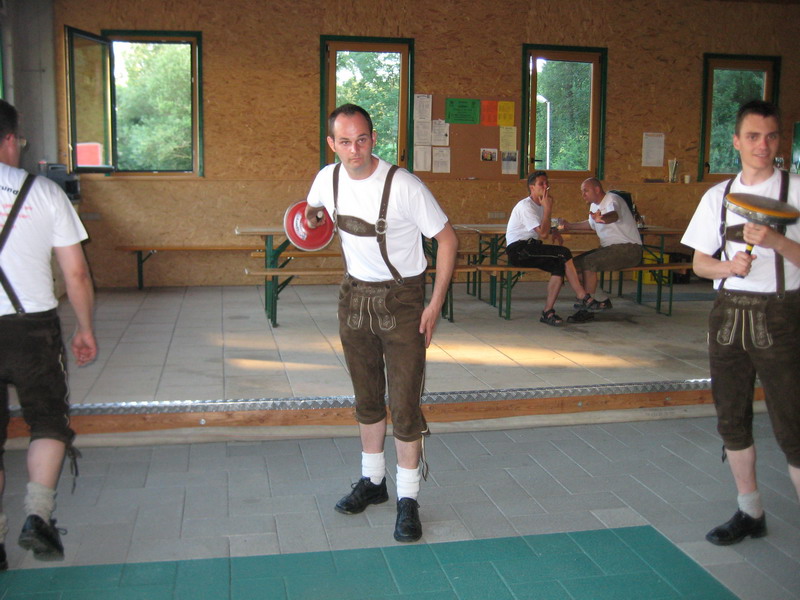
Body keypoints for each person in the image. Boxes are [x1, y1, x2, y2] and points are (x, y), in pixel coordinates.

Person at [305, 104, 457, 542]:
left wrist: (435, 305)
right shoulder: (327, 179)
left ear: (374, 139)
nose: (355, 150)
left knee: (405, 404)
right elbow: (310, 212)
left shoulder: (404, 186)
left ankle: (408, 498)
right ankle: (373, 482)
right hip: (353, 298)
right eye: (345, 142)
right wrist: (312, 218)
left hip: (403, 301)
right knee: (367, 397)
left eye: (362, 140)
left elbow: (448, 241)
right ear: (332, 144)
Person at [681, 99, 800, 546]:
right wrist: (729, 267)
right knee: (731, 418)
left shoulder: (796, 190)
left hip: (783, 315)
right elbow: (699, 263)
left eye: (770, 136)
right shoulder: (719, 196)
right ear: (736, 141)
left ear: (779, 141)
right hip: (729, 315)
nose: (762, 145)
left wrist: (776, 241)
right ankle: (750, 511)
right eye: (752, 136)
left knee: (793, 425)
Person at [0, 99, 97, 567]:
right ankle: (38, 516)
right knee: (47, 422)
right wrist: (84, 328)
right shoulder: (43, 192)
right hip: (32, 328)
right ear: (10, 139)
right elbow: (75, 273)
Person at [505, 170, 601, 325]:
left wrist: (554, 230)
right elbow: (543, 234)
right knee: (564, 253)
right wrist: (548, 209)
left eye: (546, 183)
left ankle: (548, 311)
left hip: (531, 247)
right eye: (541, 184)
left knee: (559, 265)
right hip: (519, 250)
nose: (545, 186)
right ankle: (583, 296)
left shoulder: (541, 204)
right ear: (532, 187)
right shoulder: (526, 206)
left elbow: (544, 227)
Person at [560, 178, 642, 309]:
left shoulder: (612, 199)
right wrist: (569, 225)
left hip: (629, 249)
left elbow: (614, 215)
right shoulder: (594, 206)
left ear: (597, 189)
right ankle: (599, 299)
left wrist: (602, 218)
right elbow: (590, 224)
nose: (583, 195)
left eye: (586, 191)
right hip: (609, 249)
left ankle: (588, 305)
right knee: (571, 266)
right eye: (582, 191)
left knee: (589, 262)